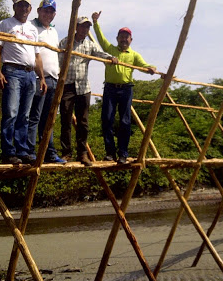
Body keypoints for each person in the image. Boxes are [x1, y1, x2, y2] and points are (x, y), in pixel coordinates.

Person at [91, 11, 156, 164]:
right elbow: (100, 37)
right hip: (110, 89)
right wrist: (95, 22)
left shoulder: (134, 55)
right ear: (117, 39)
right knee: (107, 119)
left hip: (126, 89)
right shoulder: (110, 49)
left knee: (125, 121)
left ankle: (123, 154)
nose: (124, 39)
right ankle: (110, 153)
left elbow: (144, 66)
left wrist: (151, 68)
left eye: (126, 37)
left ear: (130, 40)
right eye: (121, 36)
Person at [0, 0, 46, 164]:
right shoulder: (5, 24)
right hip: (12, 71)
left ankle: (22, 151)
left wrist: (41, 77)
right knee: (11, 112)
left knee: (25, 115)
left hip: (30, 74)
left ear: (30, 9)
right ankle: (8, 152)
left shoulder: (32, 29)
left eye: (26, 6)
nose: (23, 8)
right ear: (14, 7)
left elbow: (37, 56)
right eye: (20, 5)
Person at [58, 16, 118, 166]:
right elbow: (58, 61)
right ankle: (66, 152)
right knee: (65, 120)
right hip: (67, 85)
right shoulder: (66, 42)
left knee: (83, 122)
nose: (85, 29)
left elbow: (100, 53)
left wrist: (111, 57)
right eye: (82, 26)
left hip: (83, 87)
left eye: (87, 27)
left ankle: (82, 153)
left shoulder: (89, 45)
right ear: (76, 27)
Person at [27, 0, 66, 164]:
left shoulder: (53, 31)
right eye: (45, 10)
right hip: (38, 78)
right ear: (38, 11)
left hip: (53, 79)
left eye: (51, 11)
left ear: (54, 14)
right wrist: (40, 75)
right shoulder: (31, 26)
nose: (48, 14)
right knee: (34, 116)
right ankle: (29, 152)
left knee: (49, 119)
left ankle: (49, 152)